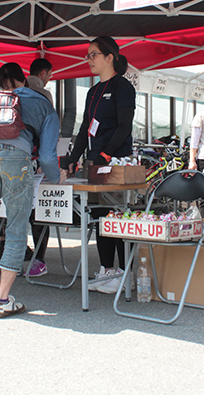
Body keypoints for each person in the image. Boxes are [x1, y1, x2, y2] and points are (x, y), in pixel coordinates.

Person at [0, 62, 64, 318]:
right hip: (15, 157)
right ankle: (2, 300)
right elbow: (48, 158)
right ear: (27, 82)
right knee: (16, 227)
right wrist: (56, 177)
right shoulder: (44, 105)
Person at [60, 36, 136, 294]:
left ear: (109, 57)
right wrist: (72, 159)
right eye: (88, 55)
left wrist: (105, 154)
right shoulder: (93, 91)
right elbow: (84, 129)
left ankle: (126, 274)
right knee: (103, 216)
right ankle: (107, 270)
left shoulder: (123, 87)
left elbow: (124, 126)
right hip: (95, 163)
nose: (89, 59)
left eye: (93, 54)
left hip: (117, 161)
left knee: (118, 216)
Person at [26, 57, 54, 277]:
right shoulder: (45, 98)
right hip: (32, 161)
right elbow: (47, 147)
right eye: (50, 74)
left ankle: (10, 259)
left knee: (15, 212)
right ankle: (39, 260)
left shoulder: (17, 91)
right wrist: (54, 175)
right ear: (44, 73)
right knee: (39, 211)